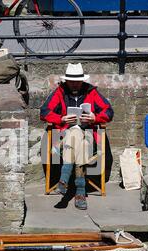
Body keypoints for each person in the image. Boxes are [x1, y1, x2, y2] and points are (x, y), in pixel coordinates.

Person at [40, 63, 114, 210]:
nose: (74, 84)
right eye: (71, 81)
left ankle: (64, 177)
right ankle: (80, 192)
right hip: (63, 138)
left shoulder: (91, 92)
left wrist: (95, 118)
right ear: (66, 81)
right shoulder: (60, 92)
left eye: (77, 82)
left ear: (82, 81)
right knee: (74, 134)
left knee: (78, 135)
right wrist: (61, 119)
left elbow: (109, 112)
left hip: (87, 136)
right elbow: (44, 112)